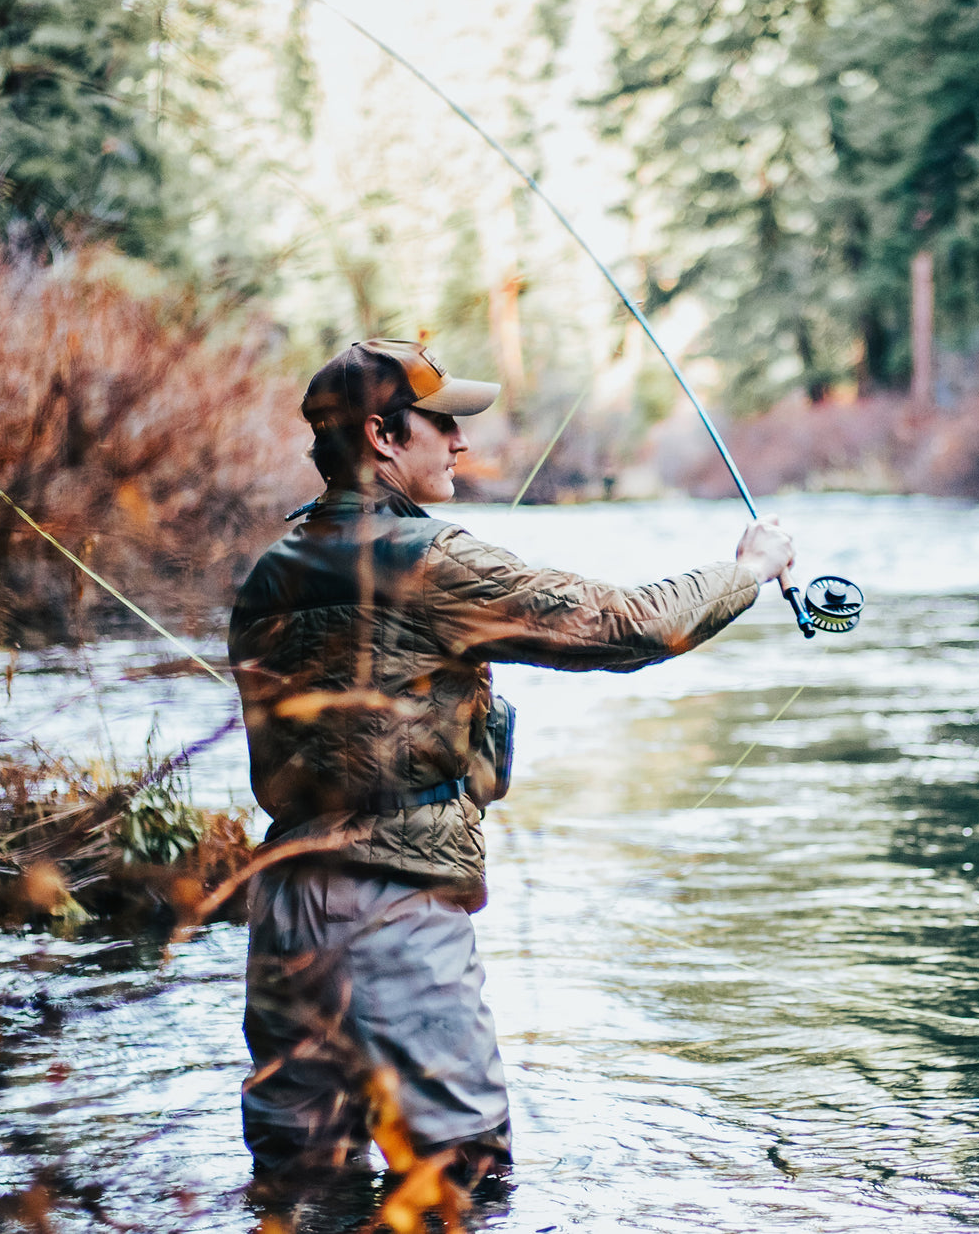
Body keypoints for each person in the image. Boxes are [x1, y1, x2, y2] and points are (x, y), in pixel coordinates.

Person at [228, 338, 795, 1189]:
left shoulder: (269, 574)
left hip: (282, 912)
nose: (459, 441)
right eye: (443, 423)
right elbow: (624, 626)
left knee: (302, 1190)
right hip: (392, 908)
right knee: (462, 1183)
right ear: (383, 435)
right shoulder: (430, 561)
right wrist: (745, 570)